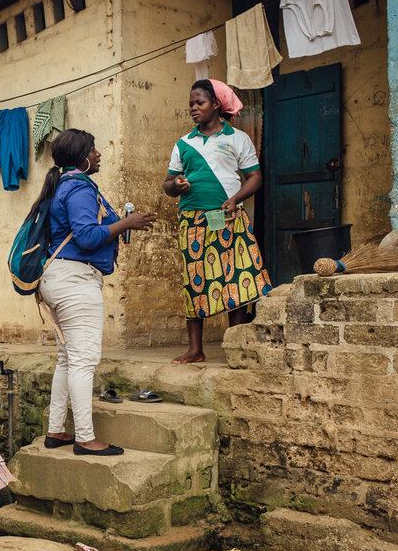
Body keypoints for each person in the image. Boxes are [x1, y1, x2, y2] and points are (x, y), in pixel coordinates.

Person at [36, 129, 157, 456]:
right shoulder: (79, 188)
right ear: (82, 157)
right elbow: (88, 237)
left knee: (67, 359)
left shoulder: (64, 185)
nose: (99, 154)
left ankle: (56, 431)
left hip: (58, 278)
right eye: (94, 149)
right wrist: (128, 223)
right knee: (83, 361)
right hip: (74, 281)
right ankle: (85, 438)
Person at [163, 79, 272, 364]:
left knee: (233, 277)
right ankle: (195, 349)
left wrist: (235, 199)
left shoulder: (237, 138)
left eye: (199, 103)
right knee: (194, 279)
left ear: (216, 105)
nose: (193, 109)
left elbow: (255, 178)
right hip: (193, 220)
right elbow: (167, 184)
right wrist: (177, 184)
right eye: (191, 105)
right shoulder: (184, 144)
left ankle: (234, 344)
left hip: (228, 216)